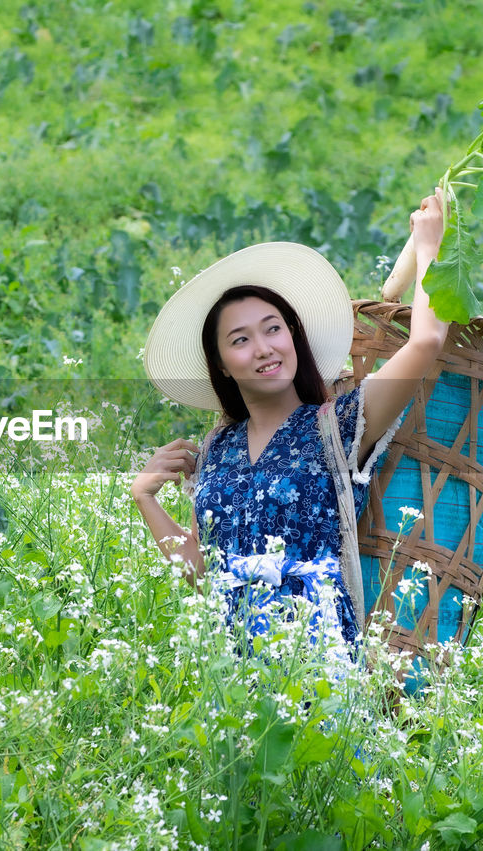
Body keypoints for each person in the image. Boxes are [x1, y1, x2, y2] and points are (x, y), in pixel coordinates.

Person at [132, 189, 449, 653]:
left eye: (273, 328)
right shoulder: (218, 448)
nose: (263, 348)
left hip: (319, 662)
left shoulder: (339, 425)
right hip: (232, 668)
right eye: (240, 339)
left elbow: (425, 344)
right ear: (220, 363)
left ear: (293, 336)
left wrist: (428, 250)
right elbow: (204, 575)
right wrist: (144, 497)